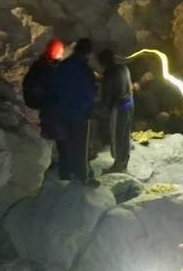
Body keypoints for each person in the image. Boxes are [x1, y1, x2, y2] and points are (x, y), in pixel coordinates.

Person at [46, 37, 100, 184]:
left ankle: (65, 174)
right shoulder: (84, 69)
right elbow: (90, 93)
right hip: (80, 114)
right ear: (87, 52)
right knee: (80, 146)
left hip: (63, 112)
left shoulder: (62, 66)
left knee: (66, 144)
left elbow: (54, 88)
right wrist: (90, 108)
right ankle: (82, 176)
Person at [96, 46, 134, 174]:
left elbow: (107, 97)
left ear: (103, 62)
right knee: (125, 135)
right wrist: (101, 78)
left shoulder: (109, 74)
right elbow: (122, 83)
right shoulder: (123, 68)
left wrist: (99, 108)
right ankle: (124, 162)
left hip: (119, 108)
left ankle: (118, 165)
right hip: (129, 104)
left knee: (117, 136)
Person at [22, 40, 64, 142]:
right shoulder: (44, 68)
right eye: (60, 54)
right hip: (42, 101)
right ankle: (51, 135)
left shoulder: (41, 65)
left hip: (40, 99)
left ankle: (51, 134)